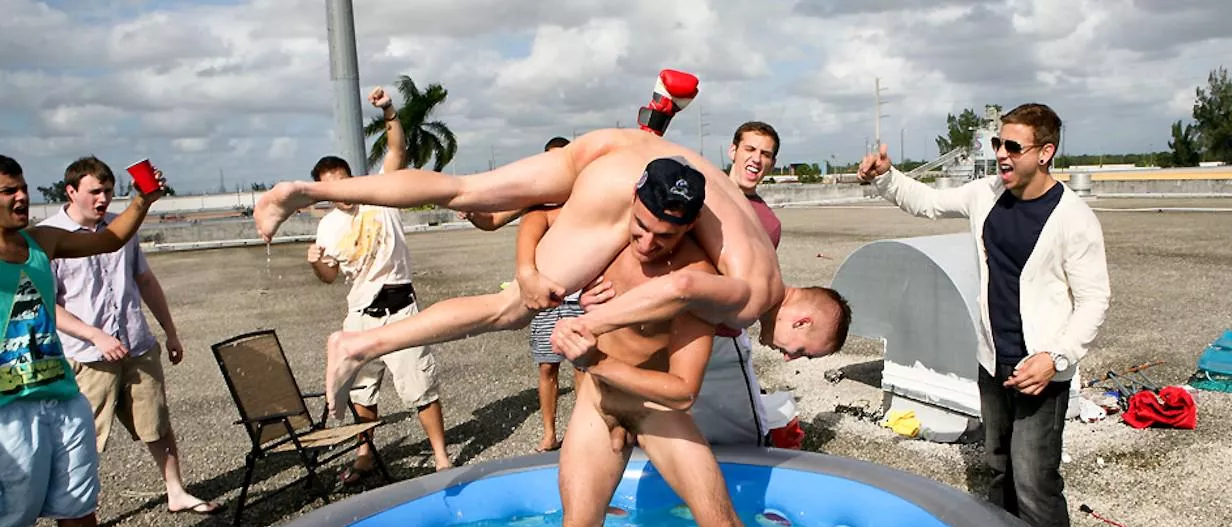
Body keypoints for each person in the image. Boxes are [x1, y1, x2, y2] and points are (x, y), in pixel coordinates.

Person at [255, 118, 850, 415]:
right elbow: (686, 283)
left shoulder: (764, 248)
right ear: (801, 319)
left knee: (463, 189)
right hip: (625, 183)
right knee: (514, 306)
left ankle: (299, 193)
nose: (790, 358)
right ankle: (361, 345)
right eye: (804, 350)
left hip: (620, 144)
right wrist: (598, 320)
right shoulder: (752, 299)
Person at [856, 103, 1110, 527]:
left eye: (1014, 146)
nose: (1002, 155)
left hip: (1041, 373)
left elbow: (1094, 301)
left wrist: (1056, 358)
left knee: (1034, 481)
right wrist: (886, 177)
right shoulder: (987, 193)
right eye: (998, 143)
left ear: (1045, 152)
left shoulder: (1074, 219)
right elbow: (930, 203)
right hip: (993, 362)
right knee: (996, 466)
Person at [549, 156, 782, 527]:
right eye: (641, 227)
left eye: (666, 236)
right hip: (596, 404)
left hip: (655, 408)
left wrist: (592, 359)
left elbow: (682, 391)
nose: (648, 243)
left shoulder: (695, 280)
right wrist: (539, 278)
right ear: (633, 200)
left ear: (690, 225)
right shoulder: (605, 238)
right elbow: (537, 216)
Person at [1, 154, 164, 527]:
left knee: (78, 493)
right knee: (11, 505)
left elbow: (112, 237)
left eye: (22, 186)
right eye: (7, 190)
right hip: (9, 405)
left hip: (58, 388)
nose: (20, 196)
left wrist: (143, 200)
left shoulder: (40, 242)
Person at [42, 156, 219, 515]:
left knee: (157, 424)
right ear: (71, 191)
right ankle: (79, 513)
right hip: (88, 357)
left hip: (137, 345)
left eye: (107, 191)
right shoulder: (49, 237)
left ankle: (176, 491)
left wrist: (170, 331)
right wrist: (94, 336)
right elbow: (48, 305)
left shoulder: (121, 228)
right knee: (85, 440)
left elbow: (146, 281)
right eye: (94, 192)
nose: (102, 199)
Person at [306, 85, 452, 477]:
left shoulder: (379, 197)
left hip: (400, 308)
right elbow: (330, 276)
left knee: (421, 387)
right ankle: (365, 454)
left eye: (343, 180)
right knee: (361, 390)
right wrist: (317, 263)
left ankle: (440, 457)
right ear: (323, 190)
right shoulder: (327, 227)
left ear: (353, 179)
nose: (341, 190)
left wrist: (388, 109)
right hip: (359, 314)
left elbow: (397, 152)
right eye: (330, 185)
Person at [461, 136, 596, 452]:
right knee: (547, 367)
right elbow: (492, 220)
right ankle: (549, 433)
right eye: (549, 160)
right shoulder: (535, 201)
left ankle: (581, 430)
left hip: (581, 297)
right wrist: (472, 212)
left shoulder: (585, 197)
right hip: (543, 298)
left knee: (582, 367)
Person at [687, 120, 784, 445]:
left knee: (752, 437)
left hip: (724, 339)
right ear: (733, 150)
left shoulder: (768, 223)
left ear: (772, 163)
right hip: (678, 330)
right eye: (750, 149)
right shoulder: (697, 194)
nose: (757, 159)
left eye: (766, 154)